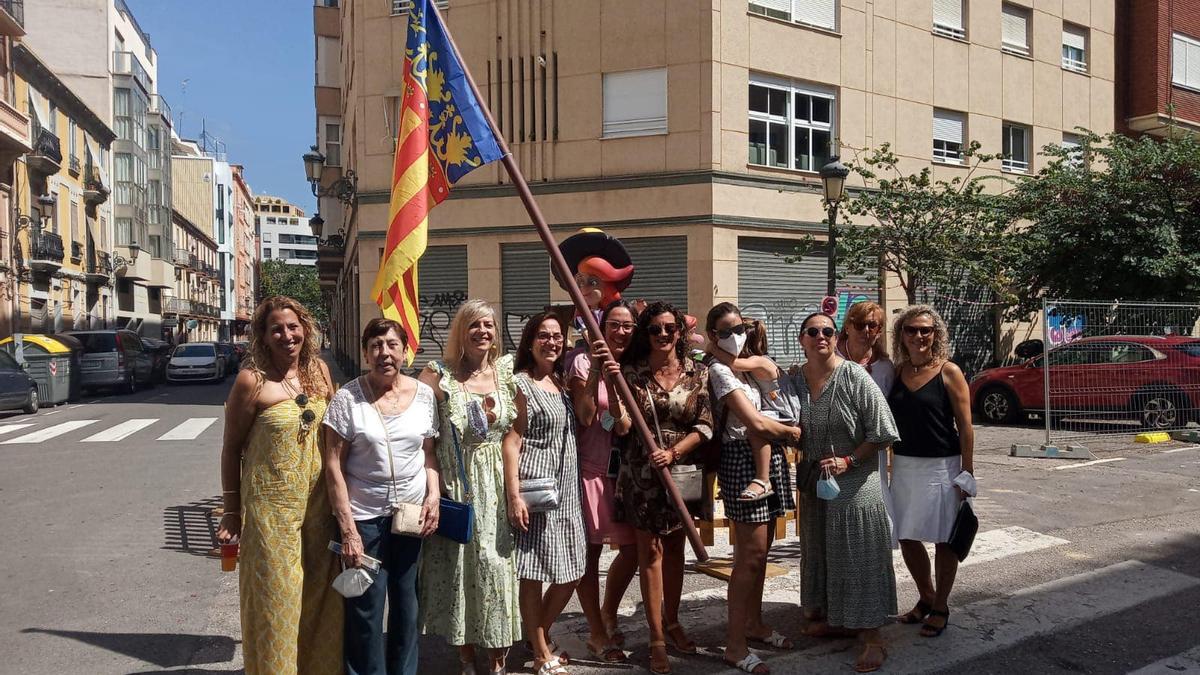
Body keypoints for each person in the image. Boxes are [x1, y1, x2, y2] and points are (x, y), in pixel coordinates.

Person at [216, 296, 342, 675]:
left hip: (319, 506)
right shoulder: (251, 381)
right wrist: (231, 511)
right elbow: (230, 449)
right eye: (277, 329)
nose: (287, 335)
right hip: (271, 511)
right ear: (263, 336)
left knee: (322, 597)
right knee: (276, 602)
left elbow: (336, 436)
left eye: (293, 326)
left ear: (305, 328)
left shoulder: (319, 372)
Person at [323, 318, 442, 675]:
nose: (384, 353)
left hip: (410, 516)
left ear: (405, 352)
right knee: (366, 610)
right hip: (365, 520)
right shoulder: (347, 399)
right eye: (376, 346)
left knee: (407, 607)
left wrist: (433, 496)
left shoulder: (423, 396)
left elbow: (429, 455)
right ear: (365, 352)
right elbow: (332, 467)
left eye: (392, 345)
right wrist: (347, 529)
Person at [788, 312, 900, 674]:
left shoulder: (853, 376)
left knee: (857, 555)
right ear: (802, 339)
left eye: (827, 331)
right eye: (812, 331)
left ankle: (872, 636)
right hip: (815, 484)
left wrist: (849, 460)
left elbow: (883, 431)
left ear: (836, 337)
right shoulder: (796, 379)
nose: (820, 336)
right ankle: (837, 617)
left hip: (853, 484)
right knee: (821, 552)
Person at [418, 299, 520, 675]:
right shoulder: (439, 374)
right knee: (461, 571)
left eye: (489, 325)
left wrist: (515, 491)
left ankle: (497, 658)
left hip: (495, 485)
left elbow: (515, 434)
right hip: (457, 486)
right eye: (474, 325)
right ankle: (465, 657)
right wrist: (433, 487)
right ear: (461, 331)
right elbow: (421, 435)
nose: (483, 331)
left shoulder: (506, 373)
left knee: (495, 568)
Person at [704, 303, 804, 674]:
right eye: (726, 331)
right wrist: (793, 433)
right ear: (715, 336)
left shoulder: (749, 365)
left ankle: (754, 622)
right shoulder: (719, 371)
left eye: (740, 327)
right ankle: (734, 644)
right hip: (742, 460)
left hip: (769, 457)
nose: (736, 335)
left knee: (763, 553)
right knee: (748, 556)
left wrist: (783, 432)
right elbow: (752, 421)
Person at [615, 301, 714, 675]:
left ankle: (672, 621)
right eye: (654, 329)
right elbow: (620, 422)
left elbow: (705, 425)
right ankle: (656, 637)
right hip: (641, 473)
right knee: (650, 553)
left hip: (683, 470)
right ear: (646, 333)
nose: (662, 335)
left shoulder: (698, 372)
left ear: (679, 332)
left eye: (669, 328)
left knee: (676, 548)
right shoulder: (631, 373)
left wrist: (673, 453)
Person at [503, 313, 587, 675]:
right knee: (533, 573)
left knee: (573, 570)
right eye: (543, 336)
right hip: (536, 489)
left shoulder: (559, 380)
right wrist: (513, 495)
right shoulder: (521, 384)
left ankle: (537, 633)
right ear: (530, 341)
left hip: (566, 490)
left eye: (557, 337)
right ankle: (539, 651)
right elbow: (512, 440)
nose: (551, 342)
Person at [887, 305, 975, 638]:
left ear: (935, 335)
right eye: (912, 330)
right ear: (902, 335)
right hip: (906, 466)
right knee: (907, 536)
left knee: (944, 540)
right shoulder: (897, 372)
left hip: (943, 466)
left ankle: (941, 605)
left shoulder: (949, 371)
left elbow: (966, 427)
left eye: (926, 330)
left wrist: (967, 473)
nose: (919, 336)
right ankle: (926, 596)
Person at [565, 301, 639, 664]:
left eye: (628, 326)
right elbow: (586, 414)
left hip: (627, 472)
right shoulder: (581, 361)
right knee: (589, 555)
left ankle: (608, 612)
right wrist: (597, 368)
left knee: (634, 548)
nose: (621, 332)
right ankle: (596, 631)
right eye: (614, 324)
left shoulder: (638, 365)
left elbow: (626, 425)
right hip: (591, 468)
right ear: (601, 327)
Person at [707, 316, 789, 502]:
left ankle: (762, 478)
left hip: (782, 410)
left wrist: (713, 348)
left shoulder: (760, 362)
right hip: (775, 409)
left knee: (755, 429)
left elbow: (734, 363)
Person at [838, 301, 895, 394]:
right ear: (847, 328)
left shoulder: (885, 368)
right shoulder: (830, 360)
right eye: (859, 325)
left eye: (872, 326)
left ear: (879, 331)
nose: (866, 330)